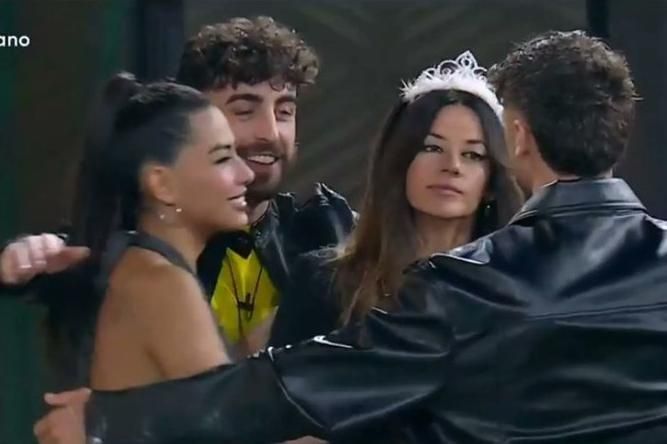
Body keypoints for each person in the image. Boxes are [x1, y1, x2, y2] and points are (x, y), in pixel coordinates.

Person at [39, 31, 667, 444]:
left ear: (518, 138)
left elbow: (295, 388)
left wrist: (108, 420)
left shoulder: (469, 284)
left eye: (479, 150)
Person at [0, 16, 356, 358]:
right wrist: (23, 258)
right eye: (244, 111)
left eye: (284, 112)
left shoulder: (323, 233)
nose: (271, 133)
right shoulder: (141, 247)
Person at [269, 52, 522, 347]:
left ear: (492, 180)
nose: (452, 166)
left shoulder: (520, 290)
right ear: (399, 163)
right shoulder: (325, 282)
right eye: (432, 148)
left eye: (473, 155)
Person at [38, 73, 253, 392]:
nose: (246, 173)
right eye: (222, 158)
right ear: (161, 184)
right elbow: (228, 416)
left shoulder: (138, 266)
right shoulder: (162, 283)